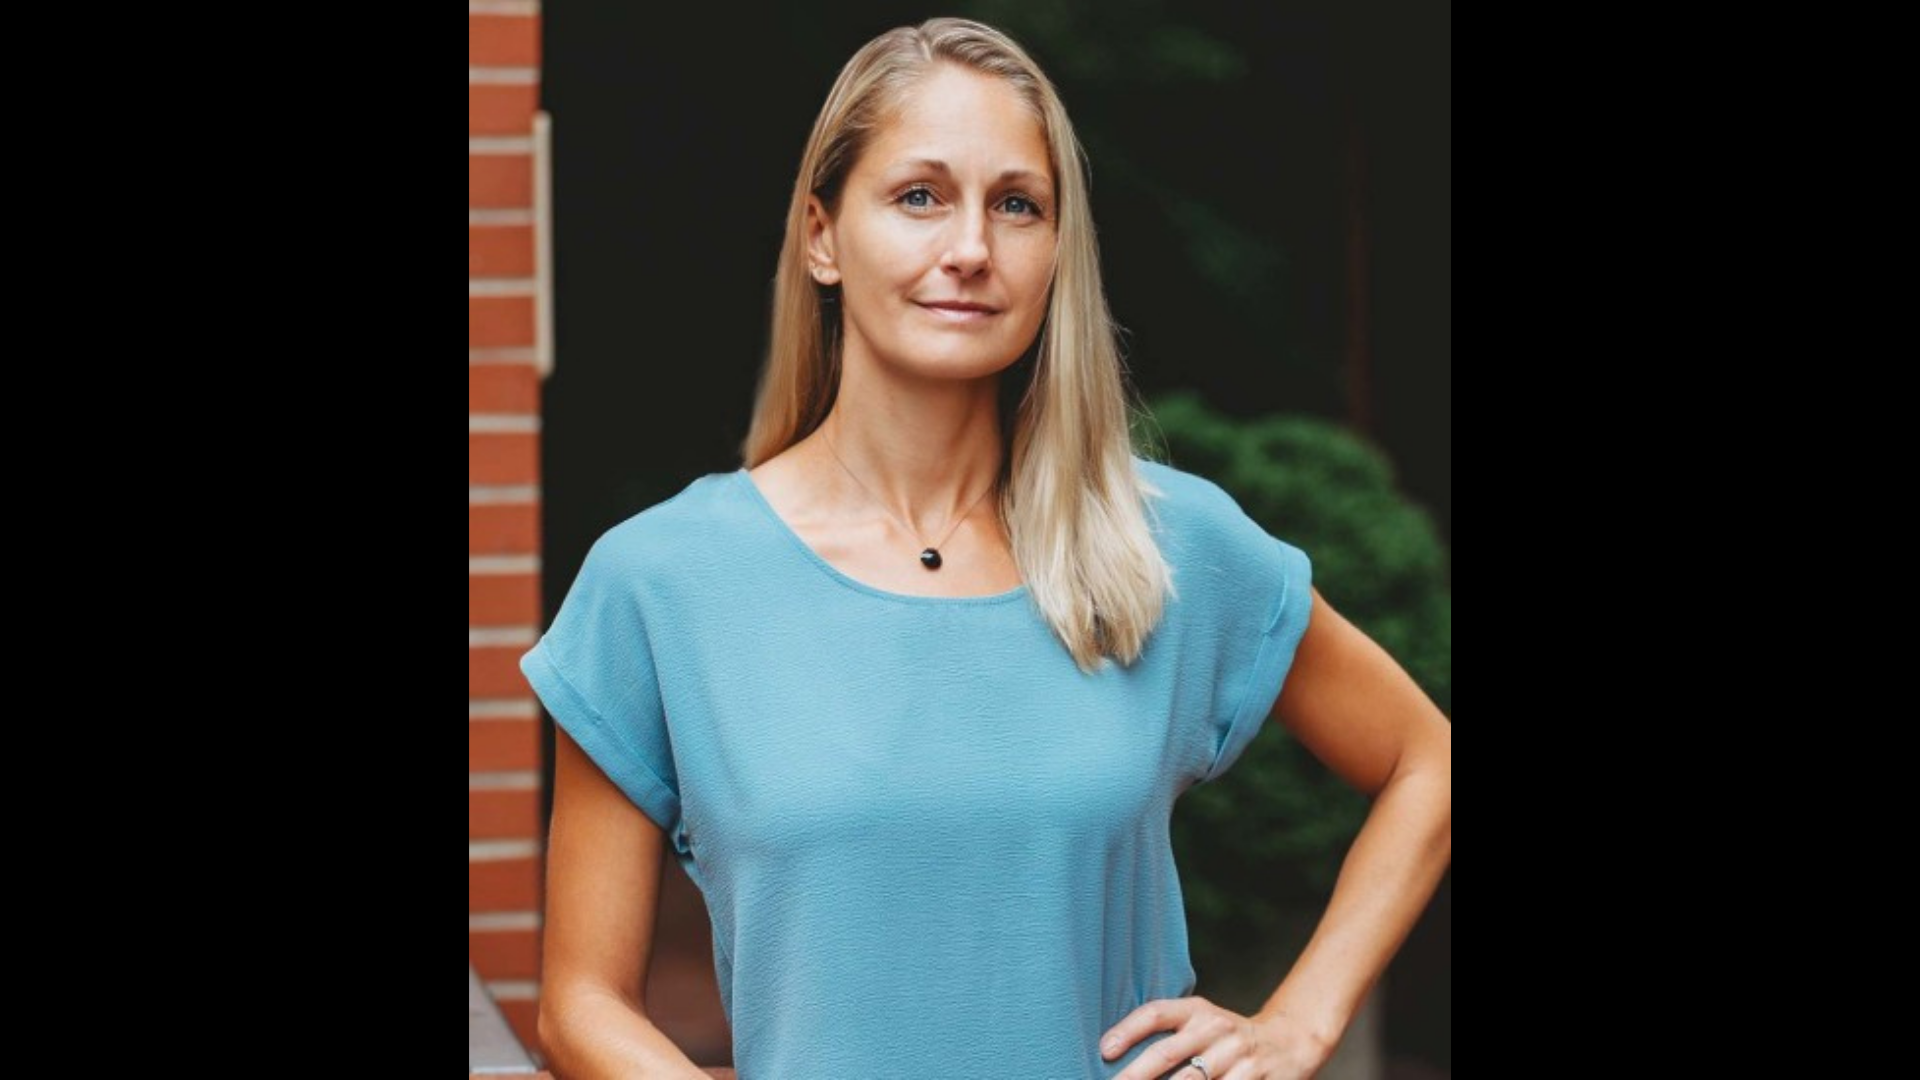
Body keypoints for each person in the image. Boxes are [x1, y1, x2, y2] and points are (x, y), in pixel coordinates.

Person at [522, 16, 1451, 1080]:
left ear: (1058, 250)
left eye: (1017, 205)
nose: (970, 248)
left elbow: (1428, 759)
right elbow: (578, 1004)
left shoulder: (1164, 546)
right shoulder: (661, 583)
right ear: (823, 236)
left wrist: (1297, 1022)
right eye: (919, 196)